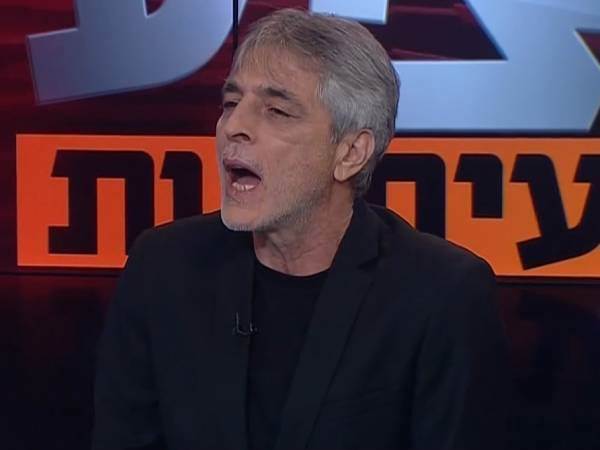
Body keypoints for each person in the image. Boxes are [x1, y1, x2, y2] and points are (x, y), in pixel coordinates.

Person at [92, 8, 510, 450]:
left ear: (350, 153)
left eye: (276, 111)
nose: (234, 127)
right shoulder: (162, 268)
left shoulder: (441, 293)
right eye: (231, 104)